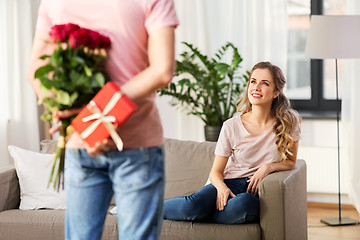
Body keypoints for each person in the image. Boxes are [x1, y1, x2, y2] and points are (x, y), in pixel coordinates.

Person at [27, 1, 179, 239]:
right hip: (136, 145)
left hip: (83, 141)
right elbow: (161, 70)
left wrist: (83, 121)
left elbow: (37, 69)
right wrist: (97, 119)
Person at [164, 61, 301, 224]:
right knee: (192, 205)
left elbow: (291, 162)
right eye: (253, 81)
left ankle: (205, 215)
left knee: (245, 204)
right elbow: (215, 172)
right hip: (228, 183)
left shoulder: (289, 121)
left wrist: (268, 167)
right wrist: (222, 188)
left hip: (255, 191)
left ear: (276, 92)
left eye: (265, 83)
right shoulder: (231, 125)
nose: (256, 87)